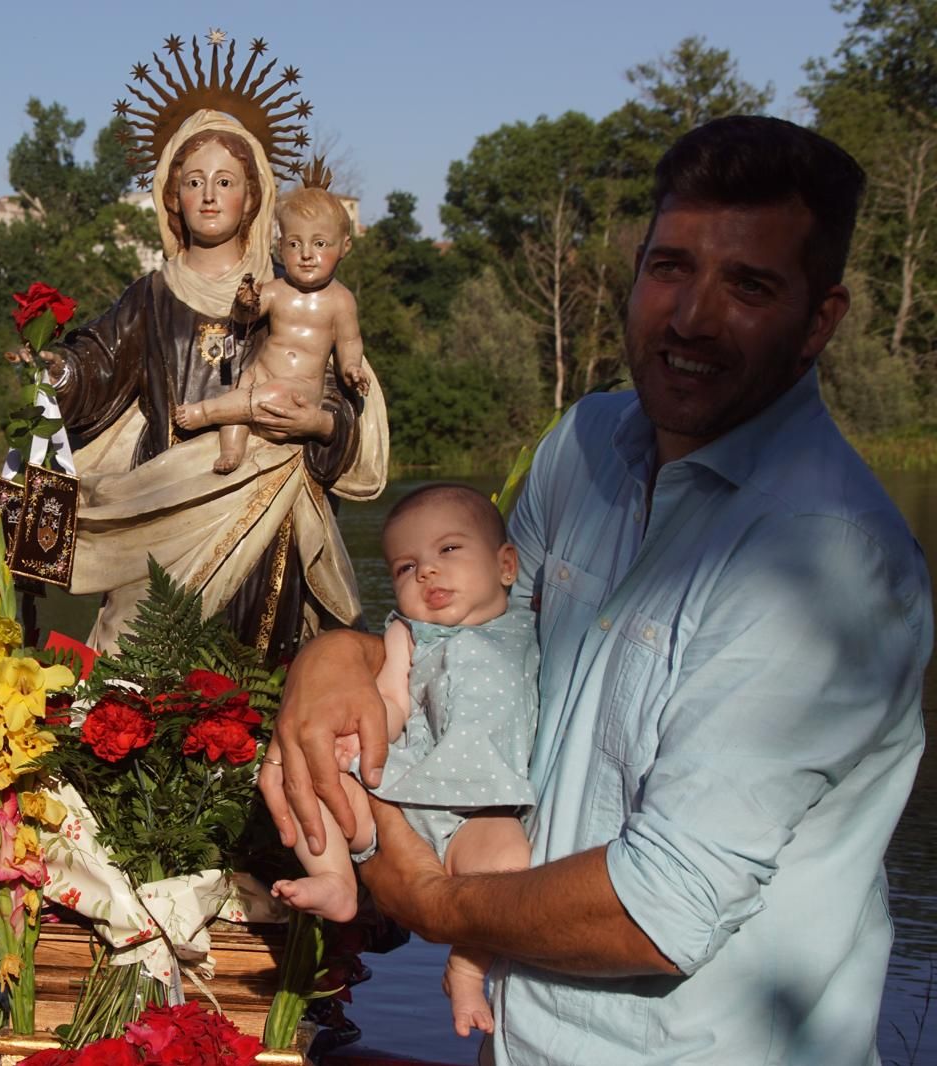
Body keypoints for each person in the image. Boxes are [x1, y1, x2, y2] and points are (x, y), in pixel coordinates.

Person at [262, 115, 933, 1065]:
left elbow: (659, 909)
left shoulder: (825, 562)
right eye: (670, 267)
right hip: (514, 1040)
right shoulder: (584, 448)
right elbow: (483, 637)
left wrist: (429, 896)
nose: (691, 317)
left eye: (749, 285)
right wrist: (337, 657)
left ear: (820, 321)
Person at [33, 109, 388, 663]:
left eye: (225, 182)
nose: (208, 196)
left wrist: (317, 422)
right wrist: (60, 371)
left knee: (253, 667)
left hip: (264, 491)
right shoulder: (150, 296)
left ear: (252, 197)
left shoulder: (293, 291)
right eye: (194, 181)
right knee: (143, 656)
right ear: (172, 196)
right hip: (163, 491)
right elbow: (98, 365)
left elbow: (340, 391)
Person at [270, 484, 535, 1038]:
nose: (427, 572)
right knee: (312, 778)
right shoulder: (407, 634)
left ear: (506, 565)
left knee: (510, 868)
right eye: (406, 567)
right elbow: (390, 699)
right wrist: (357, 741)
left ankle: (467, 967)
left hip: (483, 806)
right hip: (406, 784)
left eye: (449, 550)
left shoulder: (531, 625)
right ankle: (335, 880)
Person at [173, 184, 367, 474]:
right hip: (260, 375)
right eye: (294, 244)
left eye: (319, 244)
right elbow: (245, 317)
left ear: (344, 247)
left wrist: (352, 367)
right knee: (239, 402)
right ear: (280, 246)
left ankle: (205, 411)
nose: (306, 254)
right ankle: (232, 450)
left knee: (258, 397)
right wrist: (245, 303)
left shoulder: (341, 301)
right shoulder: (277, 290)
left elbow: (349, 342)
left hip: (298, 388)